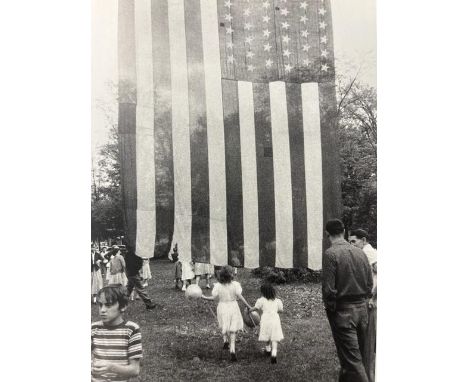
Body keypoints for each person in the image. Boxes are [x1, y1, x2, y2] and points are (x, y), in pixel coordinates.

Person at [322, 219, 373, 382]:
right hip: (363, 311)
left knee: (353, 361)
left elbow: (328, 290)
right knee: (358, 357)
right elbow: (370, 283)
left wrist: (331, 309)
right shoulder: (361, 252)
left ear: (327, 234)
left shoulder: (330, 254)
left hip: (343, 313)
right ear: (344, 231)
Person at [91, 284, 142, 382]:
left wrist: (111, 367)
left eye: (108, 305)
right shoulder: (93, 328)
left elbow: (135, 370)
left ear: (123, 306)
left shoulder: (131, 330)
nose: (102, 310)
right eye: (100, 305)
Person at [201, 266, 252, 362]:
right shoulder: (235, 285)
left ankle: (225, 340)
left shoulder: (218, 286)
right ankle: (232, 350)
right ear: (231, 275)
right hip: (233, 307)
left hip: (222, 307)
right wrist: (249, 306)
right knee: (233, 329)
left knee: (225, 324)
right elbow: (240, 297)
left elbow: (214, 298)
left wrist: (204, 297)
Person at [349, 229, 377, 382]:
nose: (351, 244)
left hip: (372, 302)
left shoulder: (368, 252)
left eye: (354, 241)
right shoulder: (363, 252)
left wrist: (373, 297)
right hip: (366, 300)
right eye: (350, 241)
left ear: (364, 240)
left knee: (369, 342)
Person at [250, 282, 284, 364]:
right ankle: (274, 354)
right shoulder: (277, 301)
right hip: (275, 319)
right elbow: (281, 310)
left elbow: (255, 308)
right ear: (273, 291)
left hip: (265, 319)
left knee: (268, 334)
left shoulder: (261, 300)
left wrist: (249, 310)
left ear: (263, 292)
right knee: (274, 337)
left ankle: (268, 349)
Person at [122, 239, 157, 310]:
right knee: (140, 288)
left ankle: (121, 303)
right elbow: (138, 264)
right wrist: (137, 270)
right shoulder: (134, 255)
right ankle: (149, 303)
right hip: (133, 273)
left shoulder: (128, 255)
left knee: (129, 289)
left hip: (130, 273)